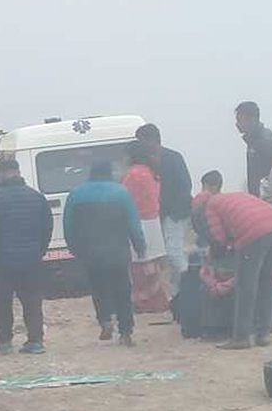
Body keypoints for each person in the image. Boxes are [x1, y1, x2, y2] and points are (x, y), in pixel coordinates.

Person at [192, 170, 272, 349]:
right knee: (268, 281)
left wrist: (215, 255)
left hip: (254, 231)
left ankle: (241, 337)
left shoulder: (209, 207)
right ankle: (263, 334)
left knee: (246, 285)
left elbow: (219, 239)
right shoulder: (230, 197)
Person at [63, 161, 145, 346]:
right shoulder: (121, 193)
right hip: (118, 251)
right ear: (109, 173)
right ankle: (125, 331)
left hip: (90, 252)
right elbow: (133, 223)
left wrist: (74, 247)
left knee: (98, 288)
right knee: (122, 290)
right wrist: (139, 245)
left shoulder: (76, 194)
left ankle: (105, 320)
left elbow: (68, 225)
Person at [0, 158, 53, 354]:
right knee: (32, 301)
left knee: (2, 303)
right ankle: (35, 341)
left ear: (0, 174)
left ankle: (5, 342)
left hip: (1, 262)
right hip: (31, 260)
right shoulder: (37, 197)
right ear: (18, 171)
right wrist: (39, 251)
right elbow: (47, 228)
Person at [135, 124, 192, 290]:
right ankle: (178, 289)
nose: (140, 145)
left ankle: (189, 284)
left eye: (141, 140)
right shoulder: (145, 163)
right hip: (157, 216)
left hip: (176, 214)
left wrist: (174, 213)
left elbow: (185, 185)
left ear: (152, 140)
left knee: (174, 253)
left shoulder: (173, 158)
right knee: (164, 256)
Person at [122, 143, 169, 313]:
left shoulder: (133, 174)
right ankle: (157, 301)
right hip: (153, 222)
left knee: (139, 267)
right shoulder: (151, 172)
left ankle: (143, 303)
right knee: (152, 266)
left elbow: (125, 199)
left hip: (139, 222)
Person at [236, 101, 272, 198]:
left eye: (240, 120)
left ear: (251, 119)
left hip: (270, 200)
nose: (237, 124)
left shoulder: (267, 141)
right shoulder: (253, 141)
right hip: (258, 198)